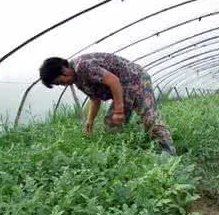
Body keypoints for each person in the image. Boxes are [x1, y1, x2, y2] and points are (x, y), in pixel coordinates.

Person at [39, 52, 176, 156]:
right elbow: (94, 99)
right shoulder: (78, 80)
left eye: (60, 81)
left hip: (136, 78)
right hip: (124, 87)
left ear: (64, 69)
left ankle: (169, 155)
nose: (62, 85)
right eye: (59, 84)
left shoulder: (83, 66)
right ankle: (120, 156)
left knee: (149, 117)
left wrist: (119, 110)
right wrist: (90, 122)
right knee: (111, 125)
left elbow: (114, 81)